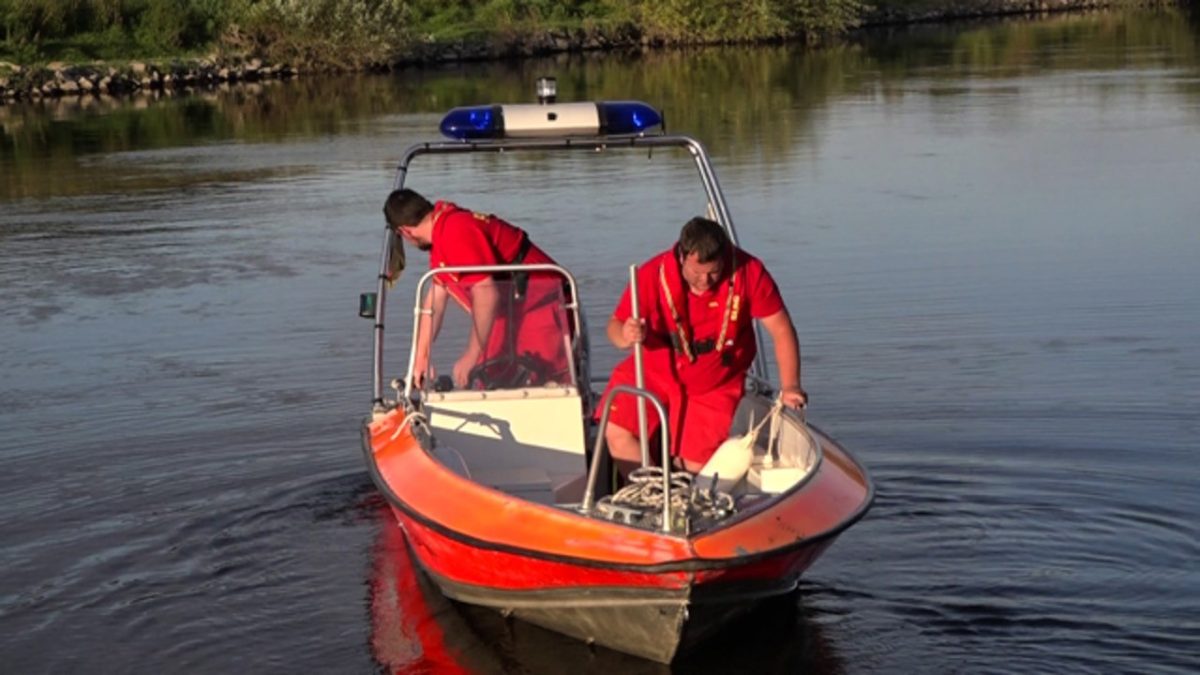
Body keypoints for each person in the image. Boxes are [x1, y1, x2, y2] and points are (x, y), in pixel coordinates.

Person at [599, 216, 807, 474]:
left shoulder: (749, 271)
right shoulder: (654, 272)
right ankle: (648, 496)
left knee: (692, 464)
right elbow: (614, 327)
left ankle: (683, 499)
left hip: (715, 378)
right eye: (696, 272)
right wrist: (626, 334)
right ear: (682, 257)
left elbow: (781, 329)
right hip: (657, 366)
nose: (705, 281)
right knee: (617, 433)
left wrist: (790, 386)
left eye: (713, 272)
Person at [383, 188, 571, 389]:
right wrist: (421, 357)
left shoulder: (455, 230)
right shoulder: (442, 235)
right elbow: (436, 299)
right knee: (488, 378)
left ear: (404, 232)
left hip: (543, 309)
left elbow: (487, 293)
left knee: (542, 388)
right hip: (512, 314)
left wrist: (471, 355)